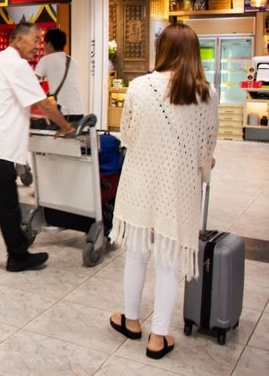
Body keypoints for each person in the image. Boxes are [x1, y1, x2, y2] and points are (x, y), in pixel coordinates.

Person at [107, 23, 218, 360]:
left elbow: (127, 134)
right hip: (179, 185)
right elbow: (206, 147)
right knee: (170, 259)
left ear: (162, 50)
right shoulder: (205, 92)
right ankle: (159, 337)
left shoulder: (140, 86)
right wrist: (202, 164)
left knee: (137, 250)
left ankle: (131, 319)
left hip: (140, 179)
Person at [0, 22, 75, 275]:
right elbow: (43, 103)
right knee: (8, 205)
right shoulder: (17, 64)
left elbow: (9, 101)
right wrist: (66, 128)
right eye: (34, 40)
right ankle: (18, 256)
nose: (37, 46)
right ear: (18, 40)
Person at [35, 28, 83, 116]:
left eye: (44, 44)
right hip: (78, 111)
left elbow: (32, 83)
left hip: (62, 112)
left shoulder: (46, 60)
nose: (43, 47)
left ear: (49, 44)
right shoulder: (72, 61)